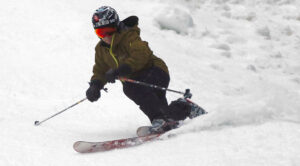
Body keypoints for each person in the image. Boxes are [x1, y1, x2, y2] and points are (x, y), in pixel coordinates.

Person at [86, 6, 205, 133]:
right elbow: (100, 70)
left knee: (130, 87)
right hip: (139, 82)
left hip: (156, 71)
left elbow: (141, 53)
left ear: (116, 26)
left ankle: (160, 120)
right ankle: (184, 108)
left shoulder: (129, 36)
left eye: (109, 31)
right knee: (163, 111)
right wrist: (95, 85)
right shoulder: (101, 49)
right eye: (101, 33)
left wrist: (122, 69)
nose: (106, 37)